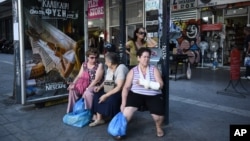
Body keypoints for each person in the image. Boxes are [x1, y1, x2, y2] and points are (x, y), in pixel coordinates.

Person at [120, 47, 165, 137]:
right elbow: (126, 88)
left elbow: (160, 85)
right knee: (126, 113)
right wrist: (123, 103)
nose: (146, 59)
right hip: (136, 94)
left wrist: (146, 83)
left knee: (158, 117)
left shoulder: (154, 69)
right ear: (138, 58)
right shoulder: (133, 71)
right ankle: (120, 130)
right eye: (144, 57)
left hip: (152, 95)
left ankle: (158, 127)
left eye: (148, 57)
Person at [89, 52, 129, 127]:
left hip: (122, 90)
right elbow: (106, 81)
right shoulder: (110, 68)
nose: (105, 63)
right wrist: (100, 87)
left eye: (106, 61)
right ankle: (99, 118)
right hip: (112, 87)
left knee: (111, 99)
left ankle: (114, 119)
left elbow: (119, 87)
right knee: (97, 94)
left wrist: (106, 95)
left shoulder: (121, 68)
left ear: (110, 62)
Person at [66, 48, 104, 113]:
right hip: (84, 84)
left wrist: (87, 88)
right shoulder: (84, 64)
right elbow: (79, 76)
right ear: (88, 57)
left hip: (95, 85)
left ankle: (89, 113)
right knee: (72, 89)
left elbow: (97, 80)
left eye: (96, 57)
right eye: (92, 58)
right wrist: (73, 84)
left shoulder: (99, 65)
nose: (94, 59)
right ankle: (71, 111)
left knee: (87, 93)